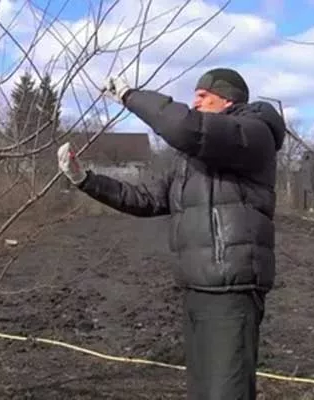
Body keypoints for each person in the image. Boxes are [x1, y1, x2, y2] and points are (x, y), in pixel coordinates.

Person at [56, 68, 286, 399]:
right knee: (203, 390)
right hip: (196, 285)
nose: (195, 101)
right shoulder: (190, 159)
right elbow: (146, 199)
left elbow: (184, 128)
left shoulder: (252, 133)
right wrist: (85, 180)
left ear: (228, 99)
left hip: (231, 287)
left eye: (203, 96)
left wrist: (130, 96)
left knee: (226, 391)